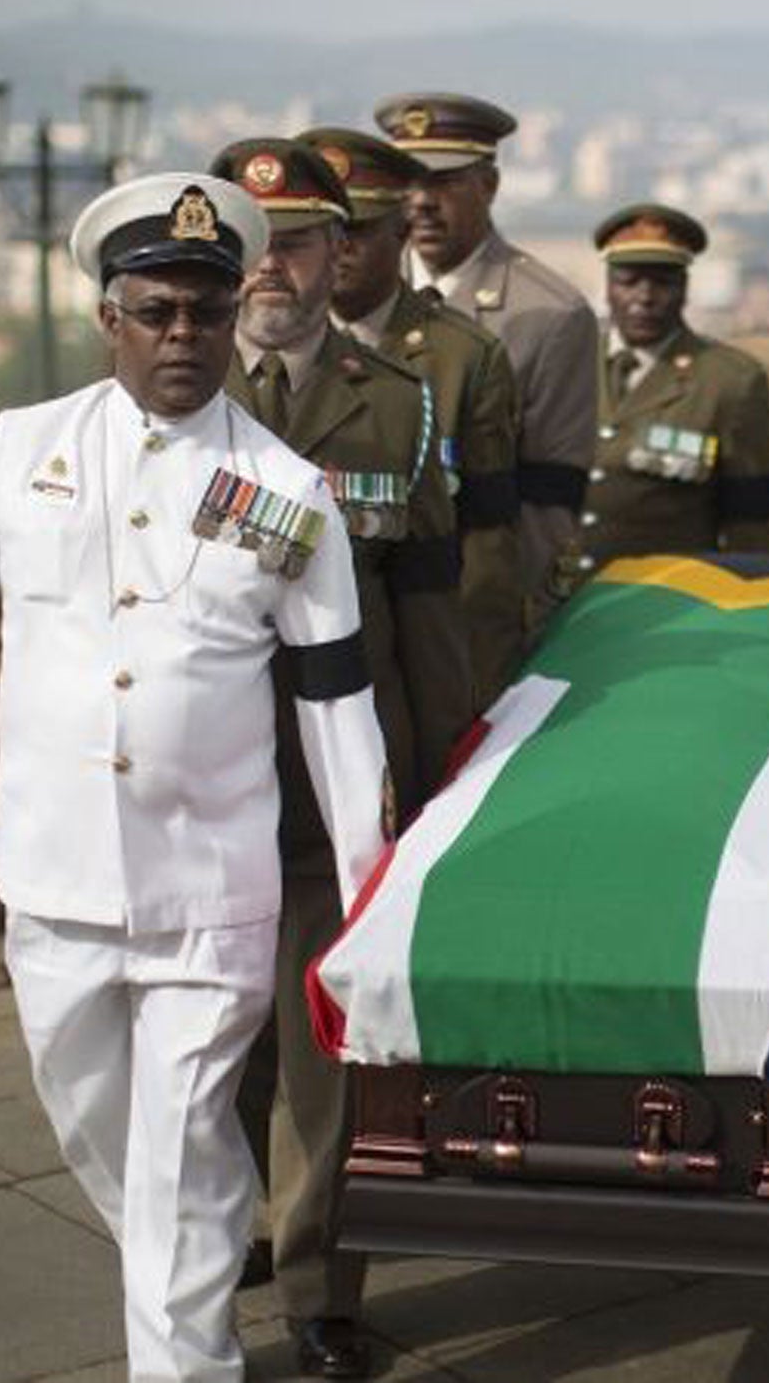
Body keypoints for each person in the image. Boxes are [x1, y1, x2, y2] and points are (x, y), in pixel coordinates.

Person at [0, 172, 389, 1383]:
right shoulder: (13, 452)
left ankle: (186, 1365)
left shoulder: (287, 494)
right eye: (156, 311)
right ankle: (197, 1254)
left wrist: (369, 889)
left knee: (179, 1140)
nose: (183, 338)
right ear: (111, 317)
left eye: (204, 312)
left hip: (213, 884)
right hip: (53, 878)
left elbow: (334, 699)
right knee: (105, 1133)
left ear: (231, 311)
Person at [210, 138, 474, 1379]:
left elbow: (426, 611)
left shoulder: (396, 402)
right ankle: (217, 1257)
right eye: (257, 243)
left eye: (303, 241)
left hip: (336, 784)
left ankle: (319, 1288)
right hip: (201, 788)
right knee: (214, 1045)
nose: (278, 265)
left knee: (327, 1057)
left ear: (339, 256)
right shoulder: (172, 391)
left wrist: (433, 784)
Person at [298, 125, 525, 704]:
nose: (339, 247)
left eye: (358, 230)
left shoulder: (463, 358)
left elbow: (484, 554)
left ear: (401, 232)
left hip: (401, 662)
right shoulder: (270, 356)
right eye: (324, 232)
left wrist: (469, 690)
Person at [375, 91, 598, 638]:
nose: (422, 202)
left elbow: (549, 501)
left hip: (468, 608)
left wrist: (517, 621)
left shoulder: (548, 314)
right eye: (409, 183)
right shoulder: (363, 287)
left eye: (444, 182)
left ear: (490, 186)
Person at [574, 201, 769, 571]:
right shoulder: (567, 362)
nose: (645, 297)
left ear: (685, 287)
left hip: (663, 602)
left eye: (662, 282)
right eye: (628, 281)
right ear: (607, 287)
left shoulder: (730, 381)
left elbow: (751, 522)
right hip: (558, 601)